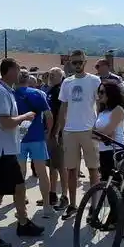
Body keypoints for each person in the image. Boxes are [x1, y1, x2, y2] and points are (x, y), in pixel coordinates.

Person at [0, 58, 45, 247]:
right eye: (17, 69)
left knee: (20, 186)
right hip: (0, 152)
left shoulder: (4, 92)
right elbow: (6, 122)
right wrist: (25, 116)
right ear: (9, 72)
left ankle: (23, 223)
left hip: (7, 149)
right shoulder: (0, 93)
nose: (20, 73)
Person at [55, 49, 102, 220]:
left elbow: (100, 104)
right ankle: (73, 205)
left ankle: (94, 206)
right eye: (73, 62)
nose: (76, 65)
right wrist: (60, 130)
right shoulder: (66, 82)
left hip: (90, 130)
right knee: (71, 170)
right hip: (70, 131)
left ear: (85, 61)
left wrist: (99, 127)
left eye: (79, 62)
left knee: (93, 169)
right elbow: (63, 107)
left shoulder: (94, 80)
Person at [14, 70, 54, 217]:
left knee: (20, 174)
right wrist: (48, 133)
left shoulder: (11, 94)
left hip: (18, 138)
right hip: (37, 136)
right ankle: (47, 206)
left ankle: (20, 206)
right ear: (28, 79)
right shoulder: (37, 94)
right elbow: (49, 116)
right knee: (42, 173)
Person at [94, 79, 124, 231]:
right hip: (104, 152)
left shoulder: (118, 110)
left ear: (111, 94)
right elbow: (98, 133)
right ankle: (114, 219)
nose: (99, 95)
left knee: (120, 190)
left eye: (102, 92)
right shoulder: (102, 111)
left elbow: (109, 134)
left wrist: (93, 134)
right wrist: (95, 134)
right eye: (98, 92)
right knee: (110, 189)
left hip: (116, 152)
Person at [44, 67, 67, 210]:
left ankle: (64, 196)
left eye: (54, 74)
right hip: (51, 133)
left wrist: (57, 132)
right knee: (52, 165)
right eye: (50, 74)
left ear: (61, 77)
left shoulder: (59, 91)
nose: (51, 76)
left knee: (61, 166)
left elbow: (61, 113)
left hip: (57, 134)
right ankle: (52, 195)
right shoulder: (51, 90)